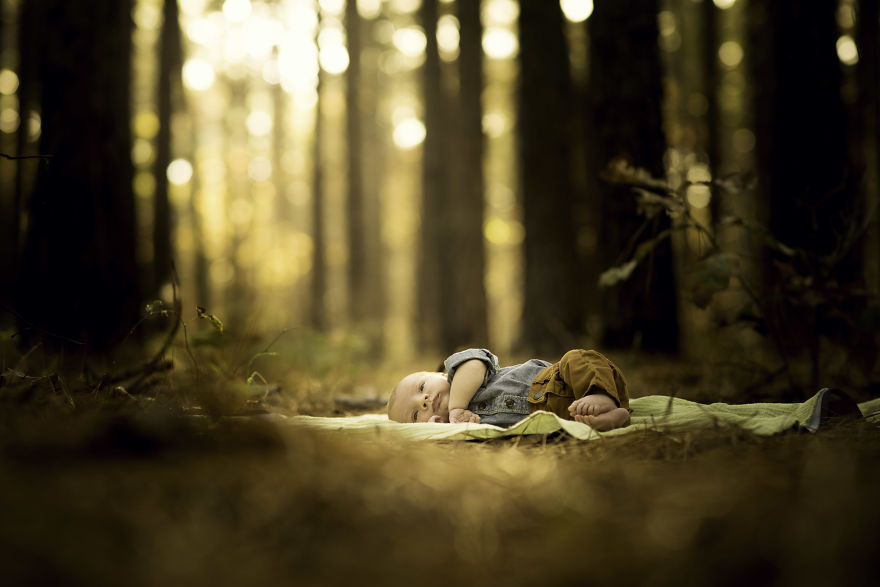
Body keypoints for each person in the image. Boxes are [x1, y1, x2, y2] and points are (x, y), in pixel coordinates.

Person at [387, 348, 632, 431]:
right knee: (572, 421)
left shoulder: (461, 372)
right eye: (416, 415)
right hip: (565, 415)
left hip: (558, 381)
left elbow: (475, 364)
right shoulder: (456, 427)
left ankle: (602, 396)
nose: (424, 400)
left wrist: (457, 407)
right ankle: (605, 419)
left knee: (578, 357)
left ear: (441, 374)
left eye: (421, 387)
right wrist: (437, 430)